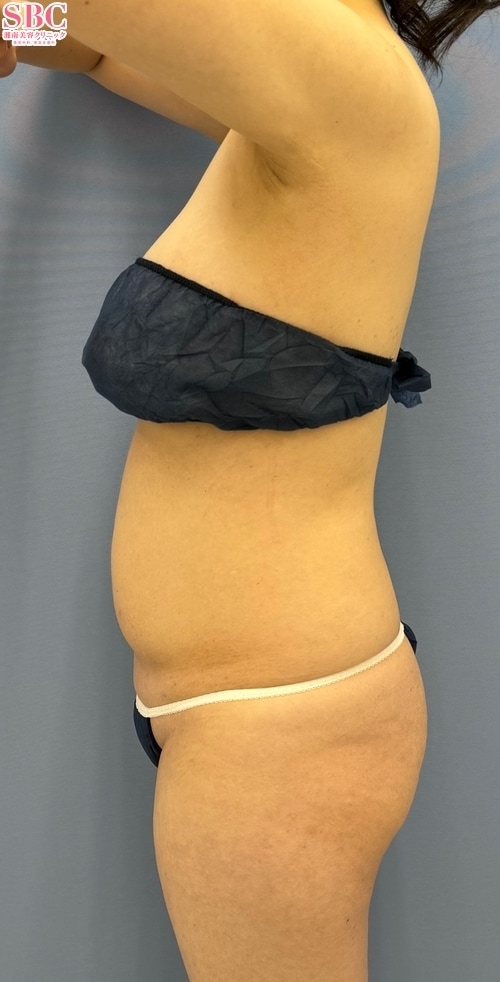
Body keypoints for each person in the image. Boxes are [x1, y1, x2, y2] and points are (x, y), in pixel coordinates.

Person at [1, 2, 497, 979]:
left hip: (279, 719)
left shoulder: (345, 75)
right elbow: (94, 44)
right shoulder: (299, 86)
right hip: (245, 712)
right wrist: (21, 19)